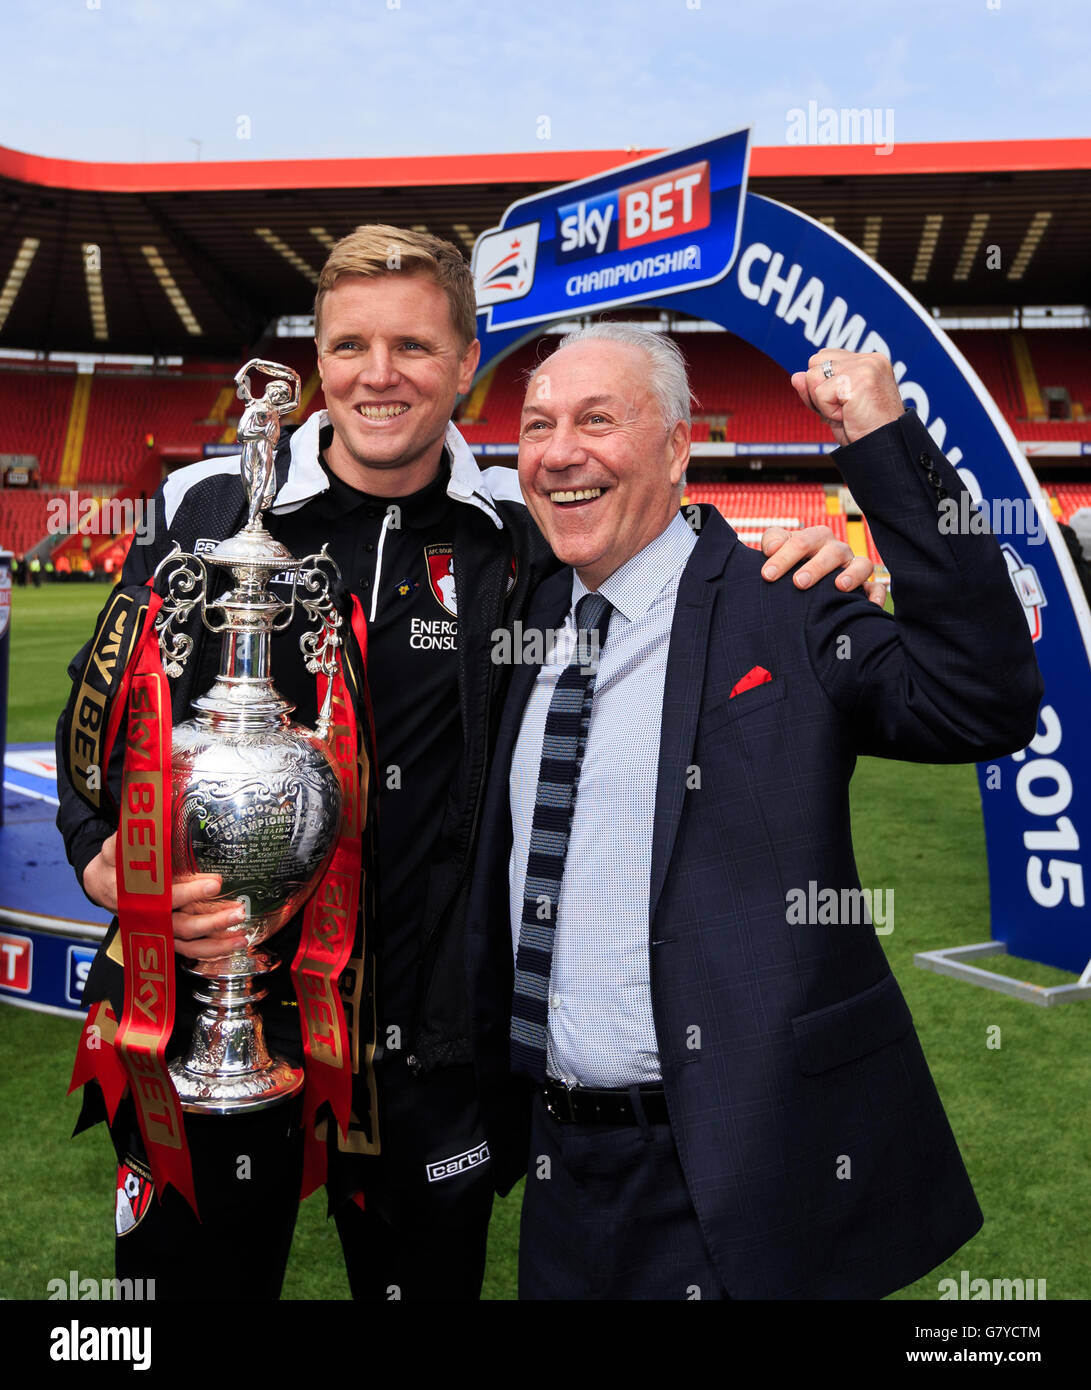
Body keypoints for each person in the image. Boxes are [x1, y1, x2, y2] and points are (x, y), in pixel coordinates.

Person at [56, 227, 883, 1302]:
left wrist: (814, 551)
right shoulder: (212, 508)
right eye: (349, 344)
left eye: (411, 345)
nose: (377, 374)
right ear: (318, 357)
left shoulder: (516, 533)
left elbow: (668, 562)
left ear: (464, 362)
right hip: (215, 1011)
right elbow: (98, 713)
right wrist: (99, 861)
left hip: (428, 1050)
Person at [466, 324, 1044, 1300]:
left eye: (596, 419)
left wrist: (881, 441)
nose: (558, 451)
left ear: (677, 446)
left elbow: (980, 697)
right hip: (562, 1178)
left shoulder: (787, 602)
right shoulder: (524, 618)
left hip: (743, 1170)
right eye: (536, 424)